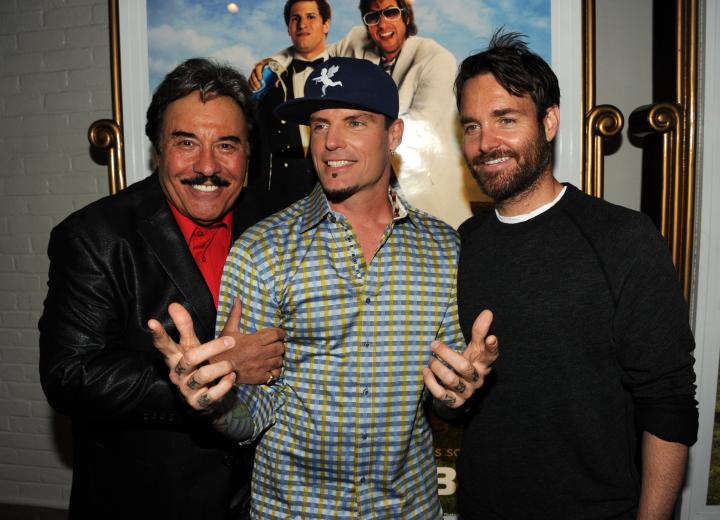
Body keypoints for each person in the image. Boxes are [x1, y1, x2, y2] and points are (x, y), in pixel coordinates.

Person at [151, 57, 498, 519]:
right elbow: (253, 414)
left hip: (409, 508)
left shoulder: (442, 247)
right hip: (292, 510)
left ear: (393, 135)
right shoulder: (263, 249)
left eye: (355, 122)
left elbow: (447, 397)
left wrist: (460, 394)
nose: (332, 142)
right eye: (319, 125)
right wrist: (214, 402)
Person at [452, 31, 698, 519]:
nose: (486, 144)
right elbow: (455, 402)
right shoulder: (464, 243)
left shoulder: (623, 238)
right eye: (472, 126)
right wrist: (454, 396)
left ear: (549, 122)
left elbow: (668, 403)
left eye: (506, 120)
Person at [38, 58, 285, 519]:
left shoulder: (275, 222)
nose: (207, 166)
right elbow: (69, 376)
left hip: (264, 500)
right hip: (146, 501)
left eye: (226, 145)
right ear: (158, 150)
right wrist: (217, 367)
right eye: (186, 142)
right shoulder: (95, 236)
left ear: (249, 153)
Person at [252, 0, 477, 228]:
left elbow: (418, 128)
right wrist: (275, 62)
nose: (382, 24)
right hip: (359, 215)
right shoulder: (356, 42)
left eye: (391, 13)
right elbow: (310, 48)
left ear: (406, 16)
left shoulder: (436, 60)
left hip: (428, 208)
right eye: (372, 17)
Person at [249, 0, 332, 215]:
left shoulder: (346, 73)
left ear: (326, 25)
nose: (302, 24)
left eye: (311, 17)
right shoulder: (268, 79)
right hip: (282, 199)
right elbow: (257, 141)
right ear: (288, 29)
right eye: (296, 18)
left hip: (336, 194)